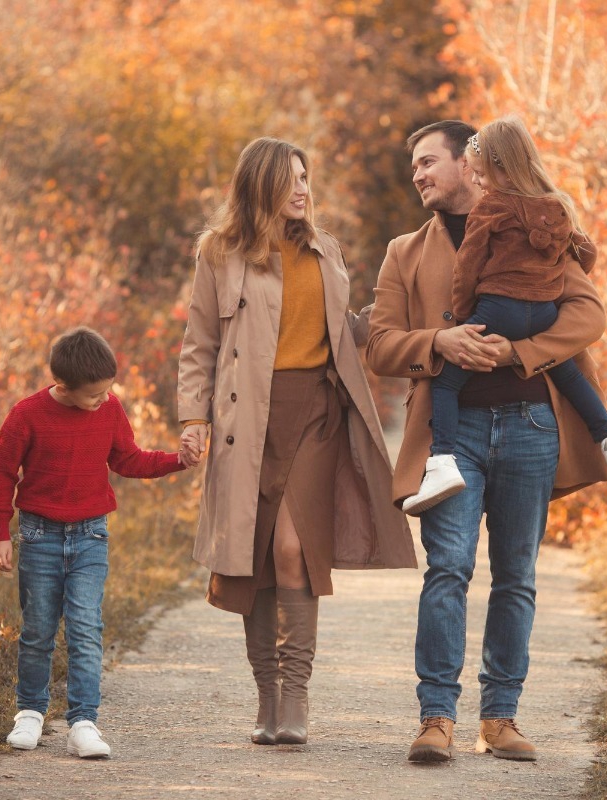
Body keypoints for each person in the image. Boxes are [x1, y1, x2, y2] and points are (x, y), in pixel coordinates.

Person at [366, 120, 607, 763]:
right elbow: (380, 341)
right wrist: (436, 342)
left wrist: (524, 351)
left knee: (517, 577)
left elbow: (588, 315)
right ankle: (436, 719)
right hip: (451, 436)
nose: (418, 174)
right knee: (447, 567)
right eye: (413, 165)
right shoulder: (405, 251)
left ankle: (500, 718)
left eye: (428, 162)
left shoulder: (537, 228)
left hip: (532, 426)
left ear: (468, 164)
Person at [178, 136, 415, 747]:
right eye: (292, 179)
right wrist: (192, 418)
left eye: (307, 177)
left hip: (315, 413)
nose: (305, 189)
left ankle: (298, 695)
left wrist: (395, 321)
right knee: (252, 555)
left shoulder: (325, 250)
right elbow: (199, 341)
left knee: (291, 547)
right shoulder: (219, 253)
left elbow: (340, 330)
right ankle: (268, 702)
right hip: (245, 422)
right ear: (262, 186)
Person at [403, 115, 607, 515]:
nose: (478, 182)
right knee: (568, 374)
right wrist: (548, 270)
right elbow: (587, 253)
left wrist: (465, 314)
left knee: (446, 382)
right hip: (543, 311)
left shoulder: (490, 210)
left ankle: (442, 462)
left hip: (498, 310)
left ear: (487, 167)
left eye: (479, 174)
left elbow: (468, 267)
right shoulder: (555, 206)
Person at [0, 327, 196, 759]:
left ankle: (83, 721)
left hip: (91, 535)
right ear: (63, 385)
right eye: (94, 394)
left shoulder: (109, 408)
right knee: (38, 629)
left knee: (85, 629)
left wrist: (178, 460)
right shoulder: (27, 415)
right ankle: (29, 713)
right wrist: (0, 535)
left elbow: (128, 458)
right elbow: (0, 474)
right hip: (39, 534)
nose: (104, 399)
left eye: (108, 391)